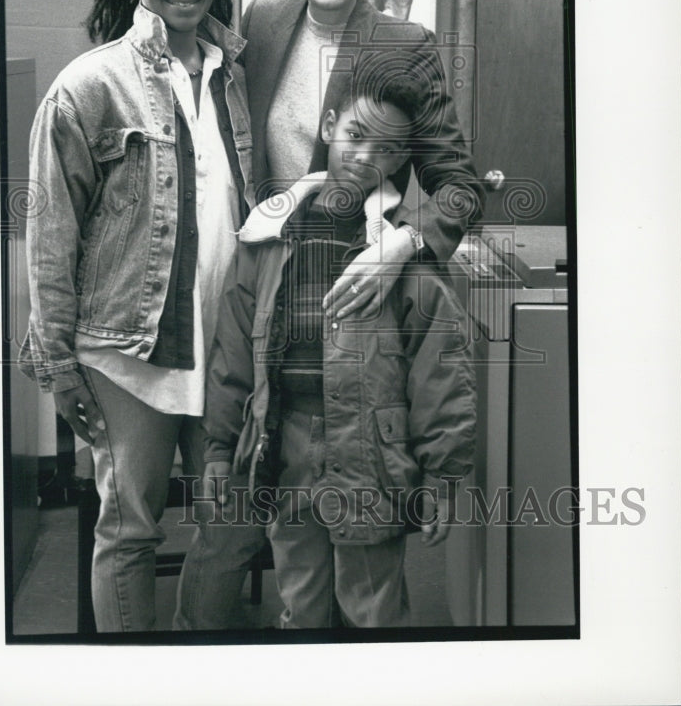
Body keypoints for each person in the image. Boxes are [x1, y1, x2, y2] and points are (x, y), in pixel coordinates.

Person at [174, 0, 483, 629]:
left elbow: (459, 187)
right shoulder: (265, 19)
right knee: (275, 541)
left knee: (366, 559)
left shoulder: (405, 45)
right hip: (271, 291)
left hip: (361, 303)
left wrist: (404, 244)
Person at [18, 0, 254, 632]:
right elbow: (52, 240)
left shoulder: (235, 79)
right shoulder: (87, 87)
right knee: (129, 531)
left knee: (234, 525)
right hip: (129, 357)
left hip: (223, 351)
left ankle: (191, 658)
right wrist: (58, 366)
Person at [198, 77, 477, 627]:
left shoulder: (405, 257)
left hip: (370, 451)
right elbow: (232, 355)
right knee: (300, 602)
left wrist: (443, 477)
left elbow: (440, 375)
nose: (368, 156)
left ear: (404, 158)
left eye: (391, 148)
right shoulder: (267, 238)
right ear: (329, 128)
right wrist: (217, 447)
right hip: (283, 443)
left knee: (372, 607)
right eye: (356, 134)